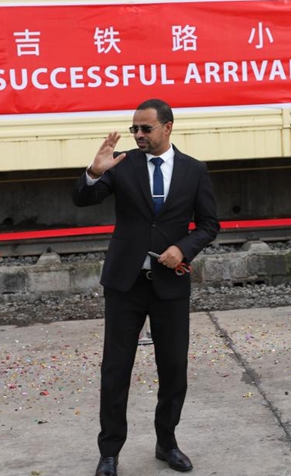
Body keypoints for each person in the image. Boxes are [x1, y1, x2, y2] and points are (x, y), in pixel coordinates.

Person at [73, 99, 219, 476]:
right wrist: (93, 172)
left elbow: (209, 224)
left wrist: (182, 248)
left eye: (145, 128)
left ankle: (166, 443)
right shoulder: (121, 164)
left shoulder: (194, 170)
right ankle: (109, 451)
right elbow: (82, 199)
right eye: (134, 128)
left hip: (170, 285)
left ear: (167, 127)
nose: (138, 135)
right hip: (125, 284)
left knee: (173, 369)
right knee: (115, 369)